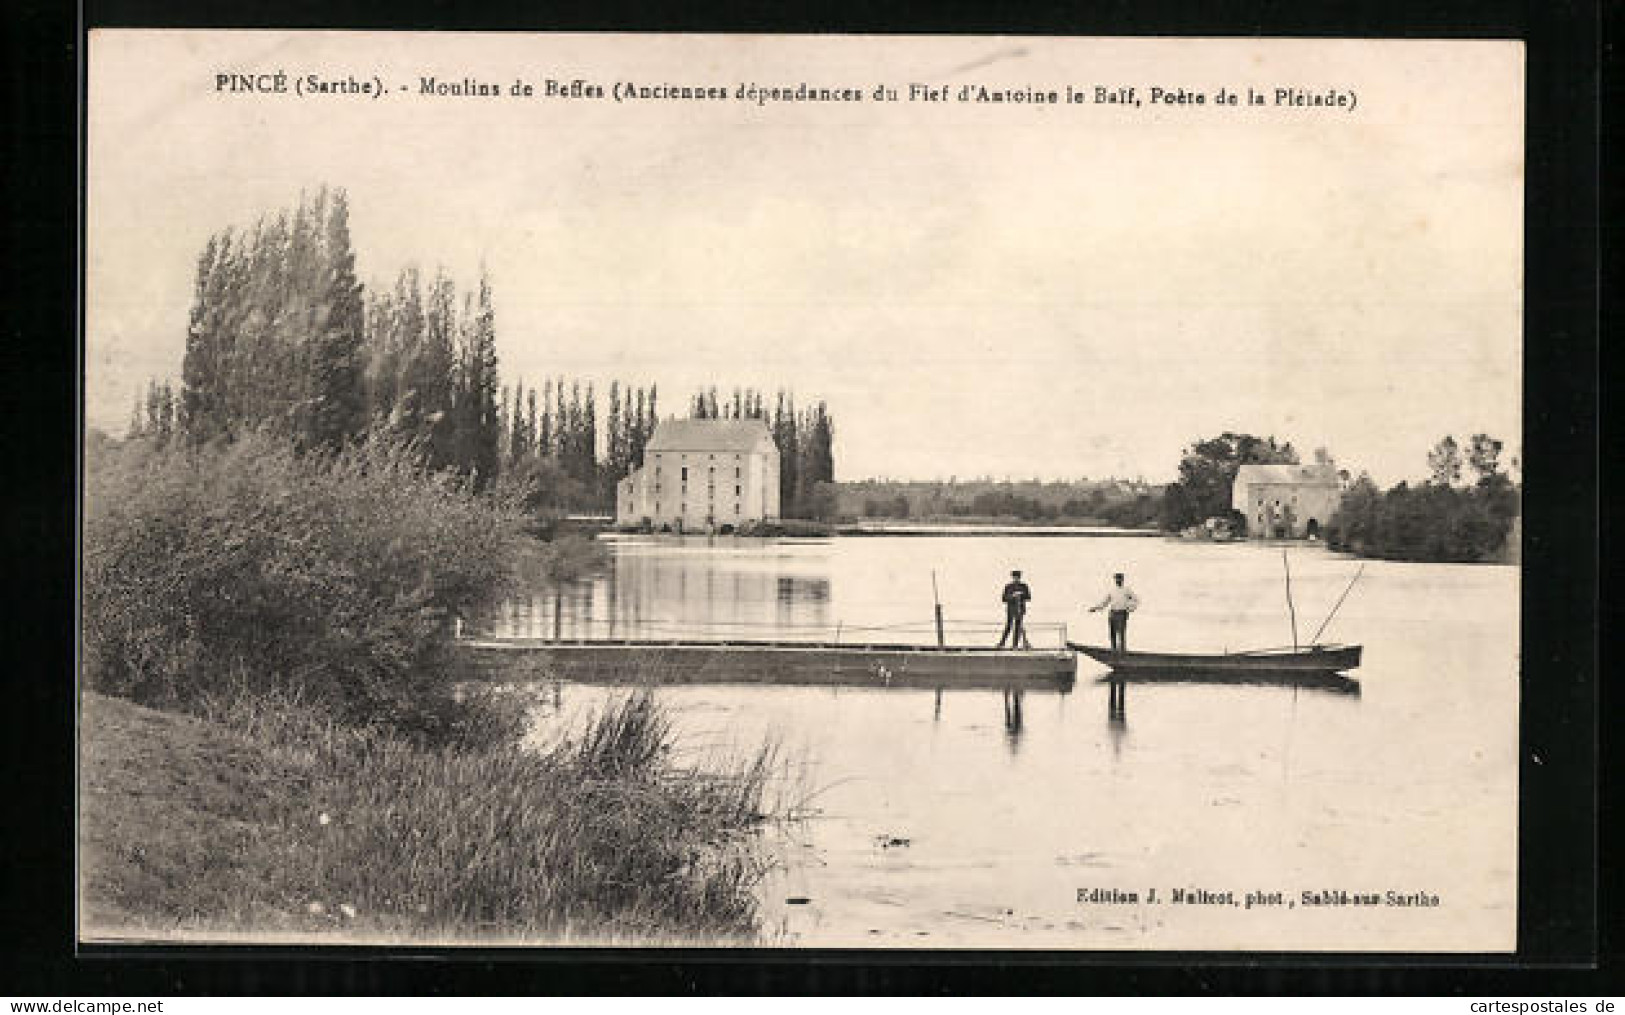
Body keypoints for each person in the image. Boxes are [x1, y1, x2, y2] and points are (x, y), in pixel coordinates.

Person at [1088, 572, 1140, 653]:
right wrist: (1095, 608)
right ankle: (1113, 650)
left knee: (1121, 633)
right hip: (1112, 613)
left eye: (1119, 579)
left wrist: (1129, 609)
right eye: (1116, 579)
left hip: (1121, 613)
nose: (1118, 581)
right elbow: (1104, 603)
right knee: (1112, 633)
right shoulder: (1112, 591)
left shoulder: (1126, 590)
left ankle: (1122, 652)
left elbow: (1136, 600)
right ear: (1114, 580)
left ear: (1122, 580)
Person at [996, 569, 1033, 649]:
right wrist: (1012, 596)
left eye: (1017, 577)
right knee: (1008, 626)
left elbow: (1028, 597)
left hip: (1020, 609)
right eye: (1015, 577)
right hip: (1011, 609)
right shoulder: (1008, 586)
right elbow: (1004, 598)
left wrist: (1021, 595)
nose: (1016, 579)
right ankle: (1002, 643)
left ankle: (1015, 645)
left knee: (1018, 627)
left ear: (1020, 578)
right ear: (1012, 577)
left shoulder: (1024, 586)